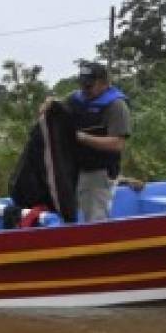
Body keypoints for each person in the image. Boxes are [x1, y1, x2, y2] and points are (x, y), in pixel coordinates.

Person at [66, 60, 131, 222]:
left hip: (99, 173)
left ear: (104, 84)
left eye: (88, 86)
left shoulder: (116, 106)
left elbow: (117, 144)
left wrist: (82, 137)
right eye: (82, 85)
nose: (84, 90)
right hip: (74, 170)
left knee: (96, 219)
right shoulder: (75, 100)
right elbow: (58, 113)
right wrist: (49, 106)